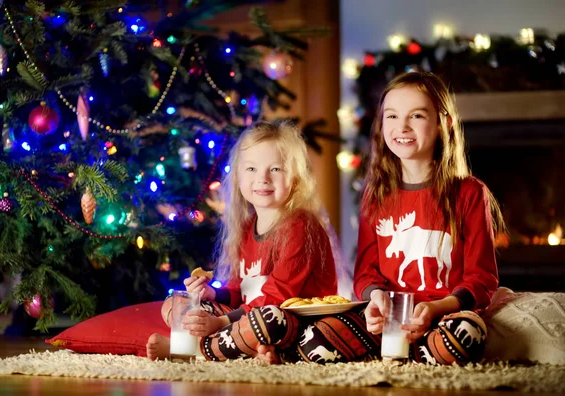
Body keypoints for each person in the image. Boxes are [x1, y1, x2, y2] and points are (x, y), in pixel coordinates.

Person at [146, 120, 340, 363]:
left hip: (293, 321)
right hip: (245, 320)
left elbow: (278, 296)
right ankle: (242, 347)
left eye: (276, 169)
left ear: (296, 178)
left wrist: (219, 323)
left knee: (269, 319)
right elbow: (239, 292)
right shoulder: (246, 228)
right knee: (176, 301)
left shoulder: (301, 226)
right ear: (237, 177)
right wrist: (212, 295)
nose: (263, 179)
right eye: (251, 169)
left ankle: (189, 348)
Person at [353, 71, 505, 365]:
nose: (403, 126)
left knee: (465, 336)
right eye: (392, 116)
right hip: (390, 318)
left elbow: (482, 277)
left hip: (446, 314)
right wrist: (376, 299)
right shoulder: (376, 195)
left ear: (442, 124)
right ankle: (412, 351)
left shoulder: (470, 193)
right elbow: (365, 273)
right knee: (321, 338)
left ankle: (420, 350)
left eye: (417, 116)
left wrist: (437, 308)